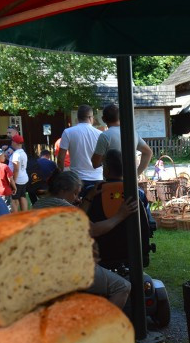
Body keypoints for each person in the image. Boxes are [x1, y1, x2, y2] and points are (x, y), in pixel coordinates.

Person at [33, 170, 133, 310]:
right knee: (122, 287)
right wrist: (120, 215)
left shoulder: (40, 204)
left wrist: (89, 197)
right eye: (75, 193)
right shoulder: (62, 206)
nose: (76, 198)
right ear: (62, 190)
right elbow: (94, 230)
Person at [91, 104, 153, 177]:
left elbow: (95, 164)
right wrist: (136, 174)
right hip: (130, 181)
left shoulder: (105, 136)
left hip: (112, 181)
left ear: (103, 119)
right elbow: (148, 152)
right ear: (120, 117)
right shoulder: (132, 133)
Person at [57, 105, 103, 193]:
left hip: (76, 180)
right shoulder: (100, 134)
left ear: (78, 118)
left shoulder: (68, 132)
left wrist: (61, 173)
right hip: (97, 178)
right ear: (90, 117)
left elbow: (60, 158)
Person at [8, 134, 29, 212]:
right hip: (24, 178)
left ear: (15, 143)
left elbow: (16, 169)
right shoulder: (23, 153)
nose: (11, 143)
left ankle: (15, 217)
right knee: (22, 196)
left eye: (12, 141)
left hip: (17, 179)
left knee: (14, 200)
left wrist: (13, 181)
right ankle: (25, 214)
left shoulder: (16, 154)